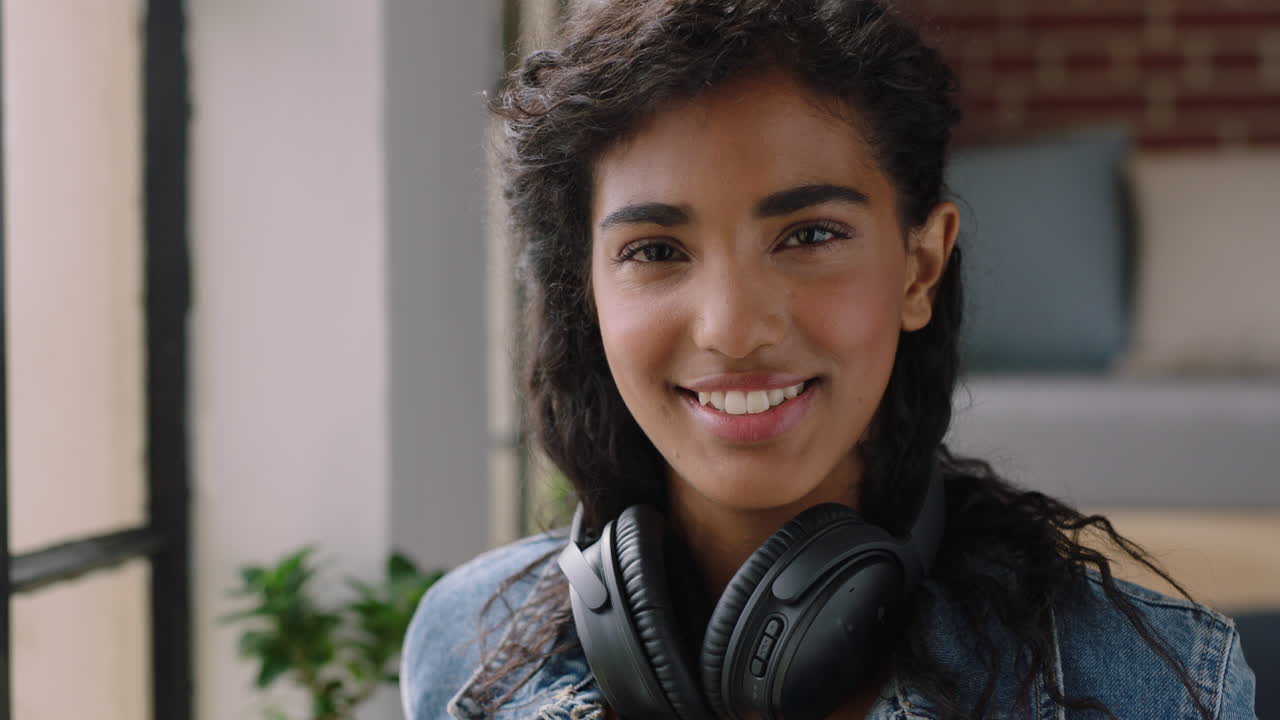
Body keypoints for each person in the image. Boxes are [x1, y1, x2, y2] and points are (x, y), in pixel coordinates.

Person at [400, 1, 1257, 718]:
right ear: (585, 293)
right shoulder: (468, 645)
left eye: (810, 235)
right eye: (655, 250)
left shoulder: (1142, 686)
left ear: (920, 267)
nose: (734, 330)